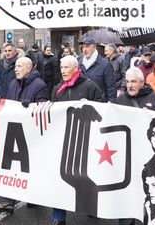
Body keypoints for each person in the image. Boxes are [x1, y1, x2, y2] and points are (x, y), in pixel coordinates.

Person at [0, 57, 49, 213]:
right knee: (11, 166)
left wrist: (30, 106)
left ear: (29, 69)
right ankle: (8, 201)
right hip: (14, 131)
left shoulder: (40, 85)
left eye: (19, 66)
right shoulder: (13, 83)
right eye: (15, 66)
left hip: (31, 134)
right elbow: (9, 103)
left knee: (31, 168)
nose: (15, 69)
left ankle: (36, 197)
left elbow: (42, 109)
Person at [51, 56, 105, 224]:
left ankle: (91, 206)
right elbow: (52, 112)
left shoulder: (90, 86)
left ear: (75, 69)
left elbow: (103, 108)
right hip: (63, 140)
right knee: (59, 178)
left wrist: (91, 104)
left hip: (87, 140)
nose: (63, 70)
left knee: (85, 176)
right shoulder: (58, 88)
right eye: (61, 67)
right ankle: (58, 217)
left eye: (66, 67)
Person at [77, 36, 116, 102]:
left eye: (87, 46)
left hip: (99, 105)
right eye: (83, 47)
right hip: (81, 105)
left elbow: (111, 88)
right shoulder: (79, 62)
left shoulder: (105, 64)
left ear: (94, 47)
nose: (84, 49)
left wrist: (111, 104)